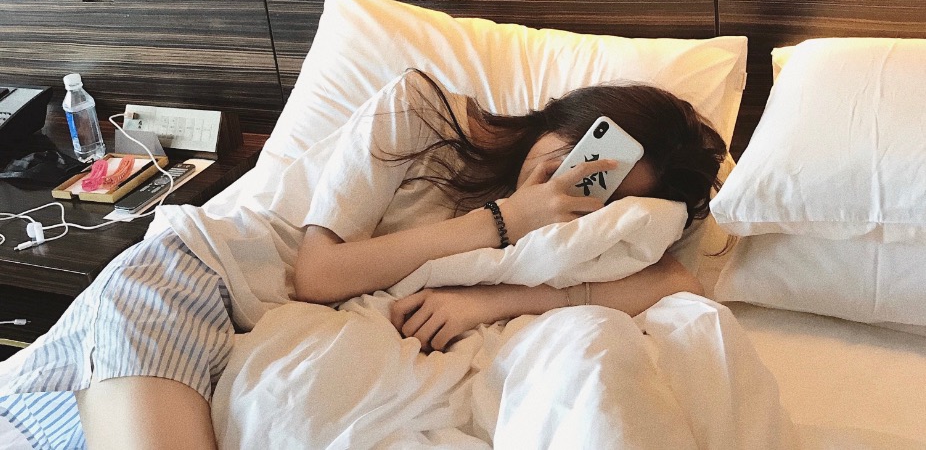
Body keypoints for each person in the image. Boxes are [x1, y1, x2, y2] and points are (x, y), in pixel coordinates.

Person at [0, 69, 726, 450]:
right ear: (575, 117)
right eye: (585, 153)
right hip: (195, 282)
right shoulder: (416, 111)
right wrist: (506, 220)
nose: (573, 183)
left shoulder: (565, 232)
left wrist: (496, 300)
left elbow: (678, 280)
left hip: (264, 338)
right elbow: (320, 275)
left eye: (602, 188)